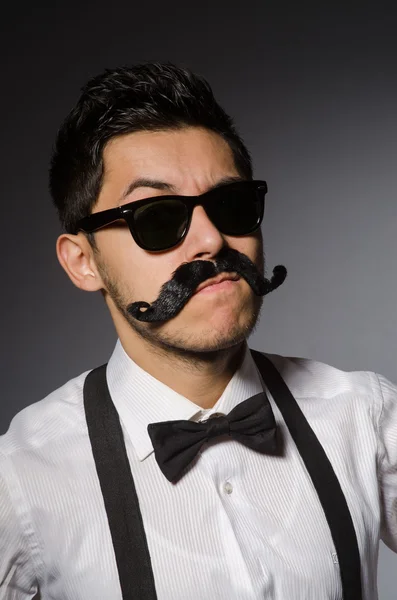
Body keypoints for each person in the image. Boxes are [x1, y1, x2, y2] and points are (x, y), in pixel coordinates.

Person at [0, 62, 396, 600]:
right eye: (158, 217)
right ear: (82, 262)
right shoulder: (21, 479)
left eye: (231, 205)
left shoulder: (366, 416)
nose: (211, 239)